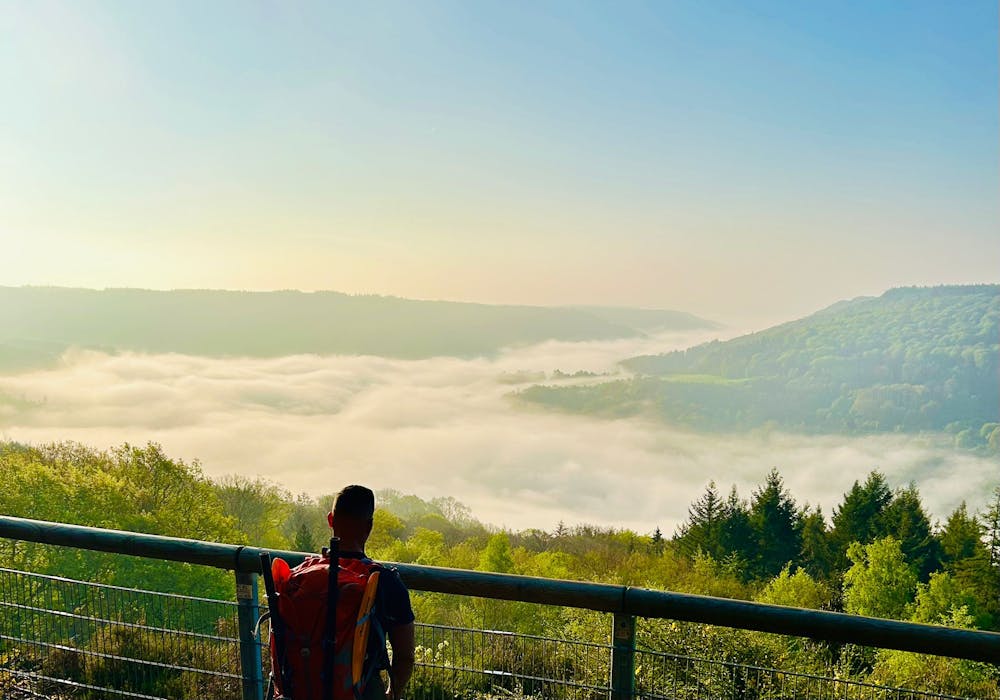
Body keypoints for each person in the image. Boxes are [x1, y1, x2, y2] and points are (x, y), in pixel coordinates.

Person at [327, 485, 415, 700]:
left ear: (330, 520)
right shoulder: (385, 582)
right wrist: (392, 693)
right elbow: (405, 657)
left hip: (303, 687)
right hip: (361, 690)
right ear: (369, 526)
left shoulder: (302, 576)